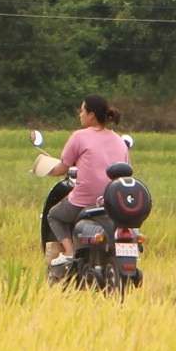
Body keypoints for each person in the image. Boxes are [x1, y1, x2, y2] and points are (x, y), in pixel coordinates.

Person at [47, 94, 130, 278]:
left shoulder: (79, 137)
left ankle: (69, 252)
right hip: (112, 202)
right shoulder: (119, 141)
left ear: (91, 115)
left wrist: (45, 169)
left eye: (82, 110)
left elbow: (62, 168)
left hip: (84, 201)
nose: (80, 114)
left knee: (54, 215)